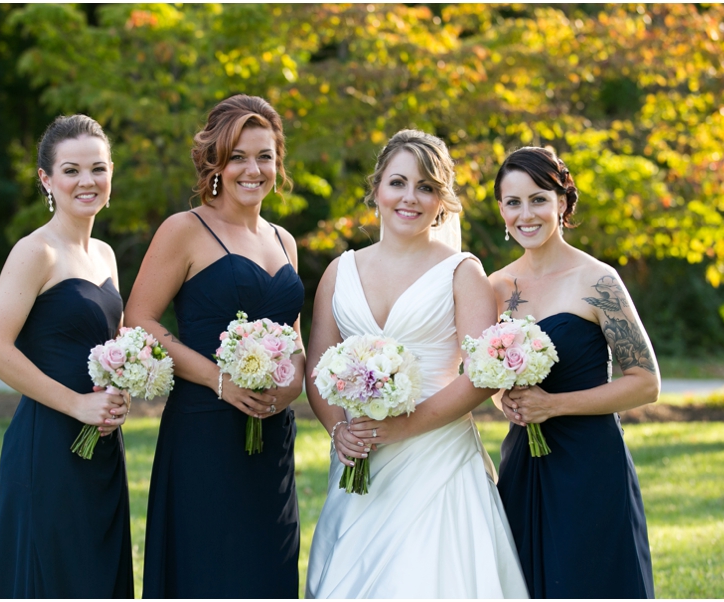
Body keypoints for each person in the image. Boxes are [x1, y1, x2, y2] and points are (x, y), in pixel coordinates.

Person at [304, 130, 529, 599]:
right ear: (377, 189)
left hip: (437, 455)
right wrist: (338, 432)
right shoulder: (339, 271)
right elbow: (318, 370)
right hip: (360, 454)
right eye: (399, 183)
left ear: (440, 200)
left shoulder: (462, 271)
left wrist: (405, 428)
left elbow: (481, 375)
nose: (410, 198)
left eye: (426, 187)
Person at [126, 94, 305, 598]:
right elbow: (138, 321)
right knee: (208, 567)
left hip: (272, 436)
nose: (254, 169)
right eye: (239, 156)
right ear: (214, 163)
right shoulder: (184, 230)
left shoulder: (283, 239)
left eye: (265, 156)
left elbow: (291, 333)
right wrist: (216, 379)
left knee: (266, 569)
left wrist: (292, 382)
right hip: (203, 429)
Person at [489, 146, 659, 598]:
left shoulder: (597, 281)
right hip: (525, 460)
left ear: (562, 203)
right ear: (502, 209)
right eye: (513, 202)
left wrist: (553, 405)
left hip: (591, 462)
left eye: (539, 198)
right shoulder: (496, 287)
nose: (526, 214)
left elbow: (646, 382)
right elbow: (486, 376)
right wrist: (507, 401)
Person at [0, 115, 133, 598]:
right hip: (48, 446)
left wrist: (121, 390)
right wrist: (77, 405)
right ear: (47, 179)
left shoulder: (105, 255)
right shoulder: (35, 252)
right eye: (71, 170)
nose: (87, 181)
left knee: (97, 576)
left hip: (102, 445)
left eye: (97, 168)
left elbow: (115, 342)